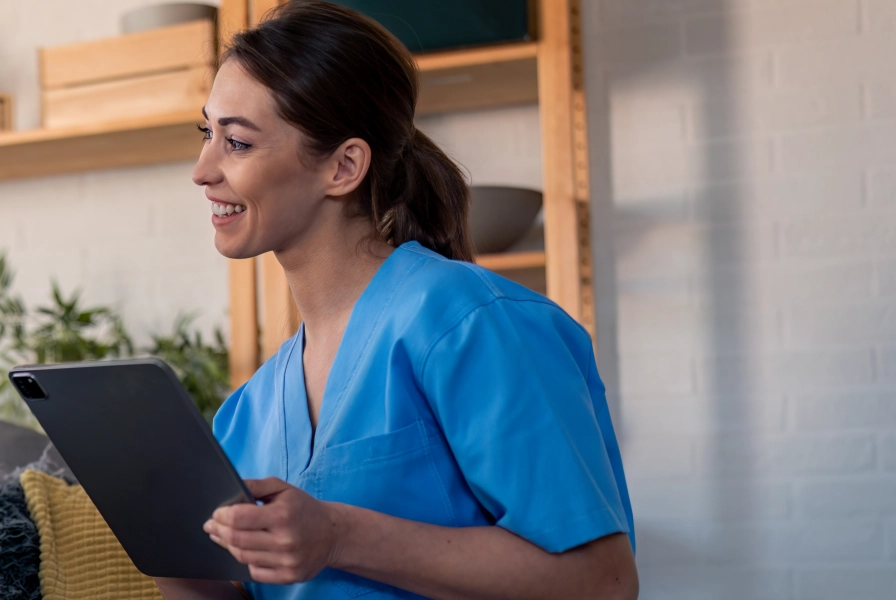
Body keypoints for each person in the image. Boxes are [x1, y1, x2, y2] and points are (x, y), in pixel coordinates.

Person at [157, 3, 637, 599]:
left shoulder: (471, 323)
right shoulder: (246, 413)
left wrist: (337, 535)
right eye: (207, 134)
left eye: (236, 141)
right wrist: (170, 552)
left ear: (343, 166)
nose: (202, 169)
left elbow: (603, 582)